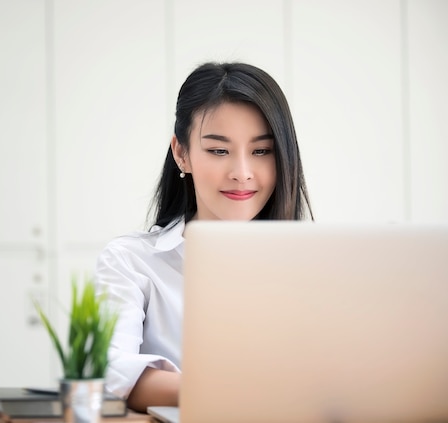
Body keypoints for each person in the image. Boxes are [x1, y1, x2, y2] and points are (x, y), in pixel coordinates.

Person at [94, 62, 313, 412]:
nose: (242, 173)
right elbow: (109, 371)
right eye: (218, 150)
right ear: (182, 153)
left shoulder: (315, 267)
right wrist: (236, 390)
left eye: (261, 151)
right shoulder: (131, 262)